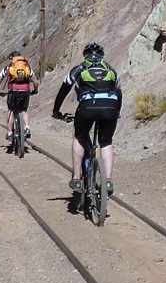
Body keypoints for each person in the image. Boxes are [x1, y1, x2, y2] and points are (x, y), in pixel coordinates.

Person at [51, 42, 122, 194]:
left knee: (79, 136)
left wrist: (56, 111)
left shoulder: (79, 69)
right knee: (106, 141)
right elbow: (118, 91)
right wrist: (117, 112)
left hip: (87, 107)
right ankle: (108, 180)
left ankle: (76, 178)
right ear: (101, 56)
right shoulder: (110, 69)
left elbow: (63, 91)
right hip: (110, 106)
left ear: (85, 55)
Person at [0, 50, 39, 140]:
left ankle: (10, 133)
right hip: (25, 91)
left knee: (11, 111)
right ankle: (27, 127)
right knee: (24, 110)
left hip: (13, 91)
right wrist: (35, 90)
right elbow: (35, 81)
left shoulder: (8, 67)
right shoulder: (27, 67)